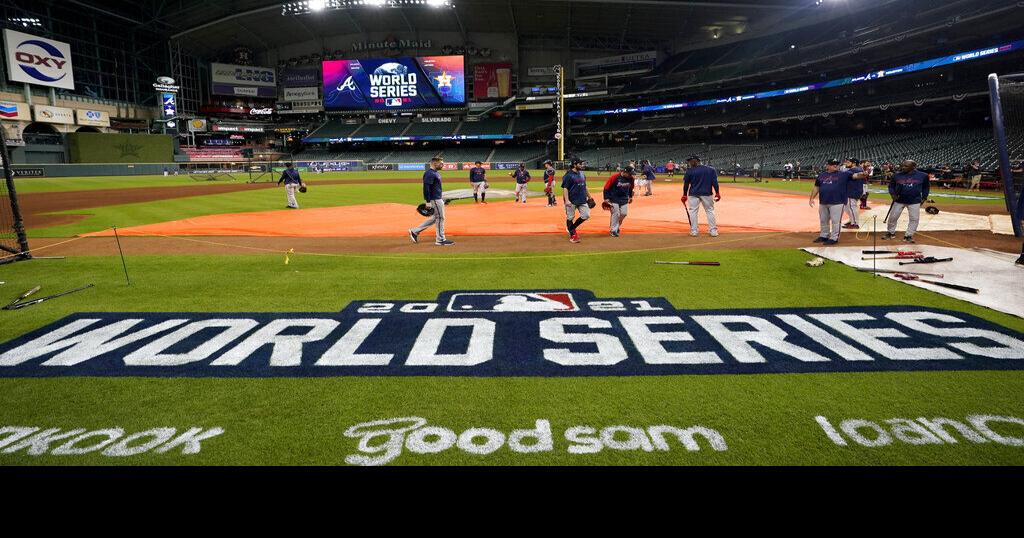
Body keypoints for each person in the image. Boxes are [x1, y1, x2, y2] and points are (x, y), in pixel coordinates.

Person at [409, 157, 455, 246]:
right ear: (435, 163)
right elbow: (426, 188)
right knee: (440, 218)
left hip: (437, 198)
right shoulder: (429, 174)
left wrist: (443, 200)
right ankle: (440, 240)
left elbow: (436, 188)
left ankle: (414, 231)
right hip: (434, 199)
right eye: (441, 163)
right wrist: (428, 201)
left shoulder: (435, 173)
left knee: (435, 218)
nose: (443, 165)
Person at [810, 159, 854, 245]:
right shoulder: (821, 175)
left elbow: (855, 176)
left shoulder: (844, 174)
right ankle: (824, 235)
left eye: (837, 164)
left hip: (837, 202)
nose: (835, 165)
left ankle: (834, 238)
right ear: (827, 166)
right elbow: (816, 187)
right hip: (823, 201)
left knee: (835, 221)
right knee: (823, 220)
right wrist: (811, 198)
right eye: (833, 164)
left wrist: (862, 174)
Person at [884, 160, 930, 244]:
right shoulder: (896, 175)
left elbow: (926, 187)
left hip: (914, 200)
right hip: (899, 200)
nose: (903, 167)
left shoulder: (923, 175)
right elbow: (891, 186)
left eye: (906, 166)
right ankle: (891, 233)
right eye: (903, 165)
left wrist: (924, 197)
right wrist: (893, 194)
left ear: (913, 167)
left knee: (914, 219)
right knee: (893, 217)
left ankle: (908, 235)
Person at [682, 155, 721, 237]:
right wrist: (717, 192)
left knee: (693, 211)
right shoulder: (710, 170)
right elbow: (715, 182)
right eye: (689, 161)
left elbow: (686, 184)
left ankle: (694, 231)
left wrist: (684, 195)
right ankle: (713, 231)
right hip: (706, 193)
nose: (690, 162)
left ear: (697, 161)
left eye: (691, 161)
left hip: (694, 193)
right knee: (709, 211)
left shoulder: (690, 171)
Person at [562, 158, 590, 244]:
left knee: (586, 215)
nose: (582, 165)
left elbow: (585, 186)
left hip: (582, 199)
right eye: (580, 164)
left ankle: (571, 228)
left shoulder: (582, 173)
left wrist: (590, 196)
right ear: (574, 165)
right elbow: (565, 188)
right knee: (570, 217)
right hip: (572, 200)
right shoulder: (568, 175)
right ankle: (573, 235)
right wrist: (567, 200)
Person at [603, 165, 636, 237]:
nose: (631, 175)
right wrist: (606, 198)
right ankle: (613, 230)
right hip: (613, 198)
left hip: (624, 199)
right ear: (625, 172)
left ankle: (616, 226)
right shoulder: (615, 177)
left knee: (624, 214)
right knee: (616, 214)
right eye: (630, 173)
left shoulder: (631, 179)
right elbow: (606, 187)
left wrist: (630, 197)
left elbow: (631, 188)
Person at [842, 158, 864, 230]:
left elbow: (845, 175)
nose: (846, 163)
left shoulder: (854, 170)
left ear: (854, 163)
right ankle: (852, 220)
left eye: (848, 162)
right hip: (855, 190)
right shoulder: (859, 169)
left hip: (852, 191)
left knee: (851, 207)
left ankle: (855, 223)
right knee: (848, 207)